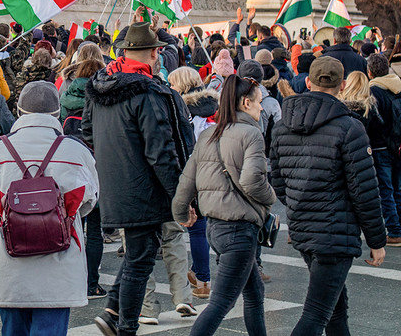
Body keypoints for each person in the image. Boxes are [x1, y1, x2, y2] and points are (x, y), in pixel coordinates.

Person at [0, 81, 99, 336]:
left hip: (8, 261)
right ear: (57, 113)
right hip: (61, 262)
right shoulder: (76, 151)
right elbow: (90, 200)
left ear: (19, 111)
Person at [270, 56, 386, 335]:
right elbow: (364, 190)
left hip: (304, 227)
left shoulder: (282, 125)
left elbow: (277, 180)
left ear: (308, 82)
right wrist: (377, 240)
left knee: (334, 308)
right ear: (343, 85)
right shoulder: (349, 127)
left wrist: (299, 202)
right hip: (335, 230)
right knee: (317, 314)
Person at [87, 23, 189, 336]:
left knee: (137, 254)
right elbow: (161, 152)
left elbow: (87, 133)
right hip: (144, 188)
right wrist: (180, 198)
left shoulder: (102, 84)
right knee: (141, 260)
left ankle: (112, 311)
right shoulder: (147, 90)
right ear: (156, 52)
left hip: (113, 184)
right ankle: (125, 327)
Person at [172, 75, 275, 336]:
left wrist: (181, 212)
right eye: (258, 102)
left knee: (254, 292)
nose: (261, 107)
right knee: (221, 303)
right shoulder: (251, 134)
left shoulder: (208, 134)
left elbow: (187, 180)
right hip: (239, 229)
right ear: (245, 102)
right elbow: (252, 181)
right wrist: (270, 198)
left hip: (215, 228)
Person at [167, 66, 220, 300]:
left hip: (195, 170)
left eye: (173, 84)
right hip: (216, 169)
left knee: (197, 228)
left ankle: (203, 280)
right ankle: (199, 272)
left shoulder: (184, 110)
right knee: (204, 225)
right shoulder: (215, 106)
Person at [367, 53, 401, 246]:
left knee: (386, 190)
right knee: (398, 188)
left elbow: (374, 120)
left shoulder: (374, 90)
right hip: (399, 143)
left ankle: (394, 231)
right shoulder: (400, 87)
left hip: (380, 144)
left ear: (370, 72)